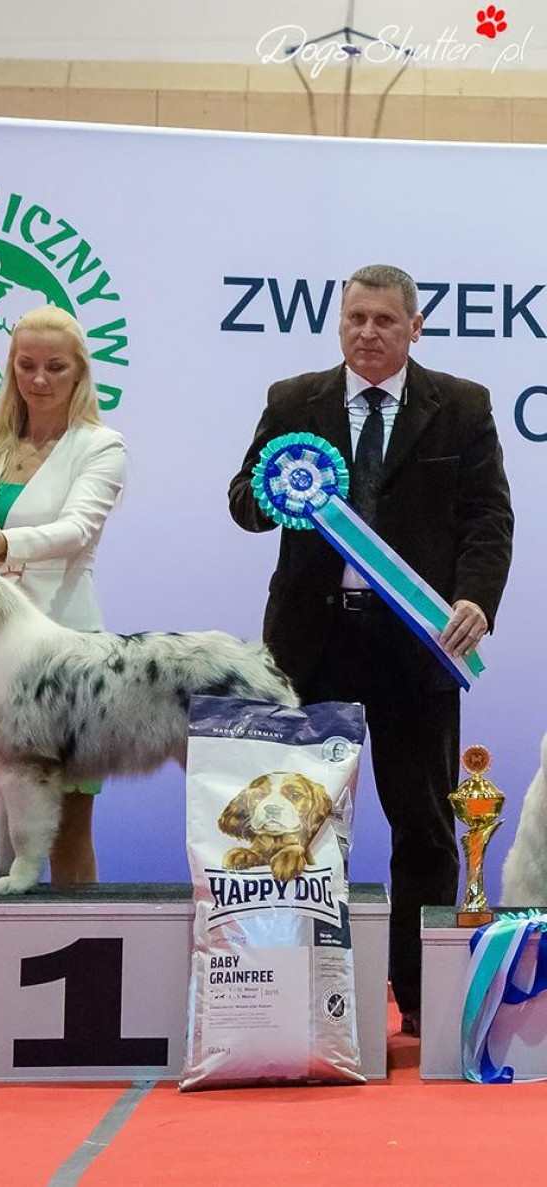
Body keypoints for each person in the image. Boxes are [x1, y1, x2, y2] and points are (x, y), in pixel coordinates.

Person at [228, 264, 514, 1036]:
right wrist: (273, 494)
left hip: (418, 646)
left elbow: (488, 516)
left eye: (385, 320)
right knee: (297, 826)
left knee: (423, 826)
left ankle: (420, 1000)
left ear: (415, 327)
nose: (368, 332)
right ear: (339, 323)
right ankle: (297, 990)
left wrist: (475, 599)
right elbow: (243, 502)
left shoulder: (462, 405)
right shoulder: (293, 401)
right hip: (311, 646)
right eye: (355, 318)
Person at [0, 304, 127, 884]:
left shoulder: (101, 445)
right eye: (26, 365)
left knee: (68, 829)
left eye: (55, 367)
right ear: (11, 367)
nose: (39, 379)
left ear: (80, 372)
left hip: (65, 650)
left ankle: (84, 933)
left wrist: (7, 545)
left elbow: (78, 530)